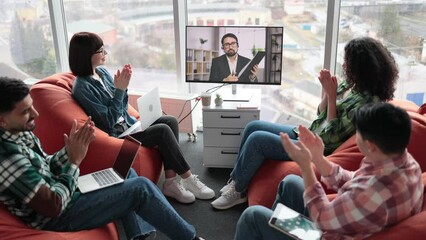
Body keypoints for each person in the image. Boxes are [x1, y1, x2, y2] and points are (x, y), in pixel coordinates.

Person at [0, 77, 205, 240]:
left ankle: (140, 236)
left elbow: (45, 165)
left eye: (32, 106)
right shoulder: (7, 157)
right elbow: (53, 206)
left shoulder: (19, 131)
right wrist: (73, 161)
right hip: (58, 215)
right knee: (140, 188)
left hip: (62, 191)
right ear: (2, 120)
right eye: (26, 111)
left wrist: (69, 151)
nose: (35, 114)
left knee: (126, 173)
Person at [212, 36, 399, 210]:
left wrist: (332, 97)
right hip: (312, 132)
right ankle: (237, 182)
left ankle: (237, 191)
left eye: (348, 61)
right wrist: (326, 93)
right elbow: (321, 113)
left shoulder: (367, 103)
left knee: (258, 140)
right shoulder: (351, 84)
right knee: (253, 126)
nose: (344, 64)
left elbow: (333, 134)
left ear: (362, 67)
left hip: (320, 146)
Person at [234, 102, 424, 239]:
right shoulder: (404, 163)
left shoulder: (372, 193)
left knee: (253, 216)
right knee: (290, 183)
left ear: (371, 145)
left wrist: (306, 167)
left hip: (326, 233)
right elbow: (353, 179)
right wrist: (318, 157)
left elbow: (323, 219)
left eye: (358, 133)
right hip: (351, 223)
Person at [69, 32, 214, 204]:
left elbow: (122, 108)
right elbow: (108, 121)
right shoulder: (82, 87)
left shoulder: (101, 72)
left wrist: (123, 88)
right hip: (117, 136)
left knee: (170, 121)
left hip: (129, 126)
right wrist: (120, 90)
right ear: (86, 55)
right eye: (100, 51)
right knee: (162, 131)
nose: (105, 54)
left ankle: (171, 182)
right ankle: (188, 177)